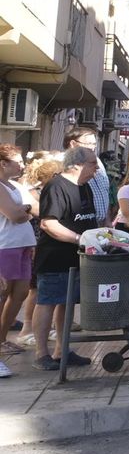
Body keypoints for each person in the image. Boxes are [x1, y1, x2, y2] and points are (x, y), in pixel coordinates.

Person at [32, 146, 101, 371]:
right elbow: (49, 224)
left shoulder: (85, 187)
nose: (97, 169)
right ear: (77, 165)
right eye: (93, 164)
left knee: (67, 303)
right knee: (48, 302)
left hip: (79, 258)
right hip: (55, 256)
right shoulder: (56, 186)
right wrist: (79, 238)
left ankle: (63, 350)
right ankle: (41, 353)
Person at [0, 144, 35, 369]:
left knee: (20, 293)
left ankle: (3, 339)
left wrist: (25, 209)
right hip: (6, 246)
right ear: (3, 163)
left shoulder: (13, 185)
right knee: (3, 293)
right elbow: (14, 215)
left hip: (23, 245)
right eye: (17, 161)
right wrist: (25, 210)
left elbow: (27, 210)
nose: (22, 165)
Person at [64, 126, 111, 228]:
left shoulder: (98, 162)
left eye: (94, 144)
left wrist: (107, 220)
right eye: (88, 144)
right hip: (77, 225)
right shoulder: (63, 164)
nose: (92, 147)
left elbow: (104, 191)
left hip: (99, 226)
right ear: (73, 144)